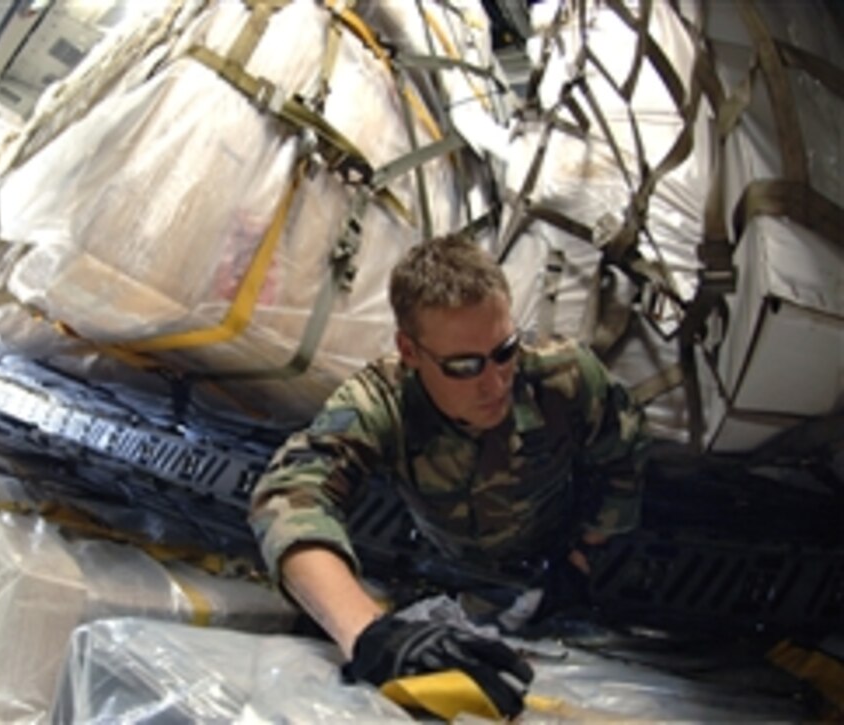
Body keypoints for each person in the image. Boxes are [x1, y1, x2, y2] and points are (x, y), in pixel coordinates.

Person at [248, 233, 648, 718]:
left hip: (553, 558)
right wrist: (368, 633)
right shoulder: (383, 401)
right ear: (410, 352)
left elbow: (621, 455)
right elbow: (290, 496)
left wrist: (587, 554)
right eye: (465, 366)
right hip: (447, 558)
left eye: (504, 351)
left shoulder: (563, 378)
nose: (495, 382)